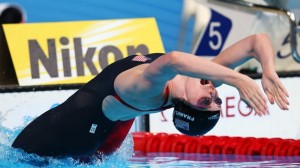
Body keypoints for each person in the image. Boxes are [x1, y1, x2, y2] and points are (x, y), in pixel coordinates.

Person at [12, 33, 289, 158]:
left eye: (206, 102)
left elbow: (173, 59)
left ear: (182, 105)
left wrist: (237, 78)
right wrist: (267, 71)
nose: (213, 92)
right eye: (216, 99)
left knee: (22, 155)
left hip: (78, 128)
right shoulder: (204, 79)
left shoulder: (150, 89)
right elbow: (256, 42)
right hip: (112, 122)